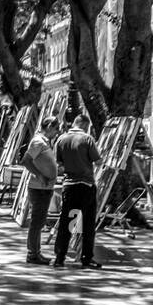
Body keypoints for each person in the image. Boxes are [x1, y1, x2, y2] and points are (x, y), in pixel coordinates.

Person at [52, 113, 103, 269]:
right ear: (85, 125)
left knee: (67, 223)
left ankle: (59, 258)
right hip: (86, 186)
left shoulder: (61, 139)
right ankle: (86, 258)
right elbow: (98, 161)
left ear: (74, 123)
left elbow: (58, 164)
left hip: (69, 186)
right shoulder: (88, 139)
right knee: (87, 224)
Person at [22, 115, 61, 265]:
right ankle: (33, 254)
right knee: (37, 222)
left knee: (39, 221)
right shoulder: (38, 141)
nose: (57, 132)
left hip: (44, 188)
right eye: (56, 129)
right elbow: (26, 160)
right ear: (50, 126)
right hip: (39, 188)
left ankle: (36, 252)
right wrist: (40, 175)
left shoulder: (45, 142)